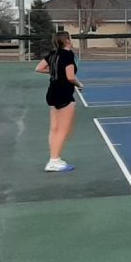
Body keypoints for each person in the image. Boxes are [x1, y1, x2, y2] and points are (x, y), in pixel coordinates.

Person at [35, 31, 83, 172]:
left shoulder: (53, 54)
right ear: (67, 41)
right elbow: (70, 77)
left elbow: (38, 68)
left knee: (55, 129)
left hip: (52, 94)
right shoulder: (68, 55)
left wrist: (56, 71)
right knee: (64, 130)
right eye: (71, 38)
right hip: (64, 95)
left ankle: (54, 158)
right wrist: (80, 85)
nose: (72, 40)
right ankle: (54, 161)